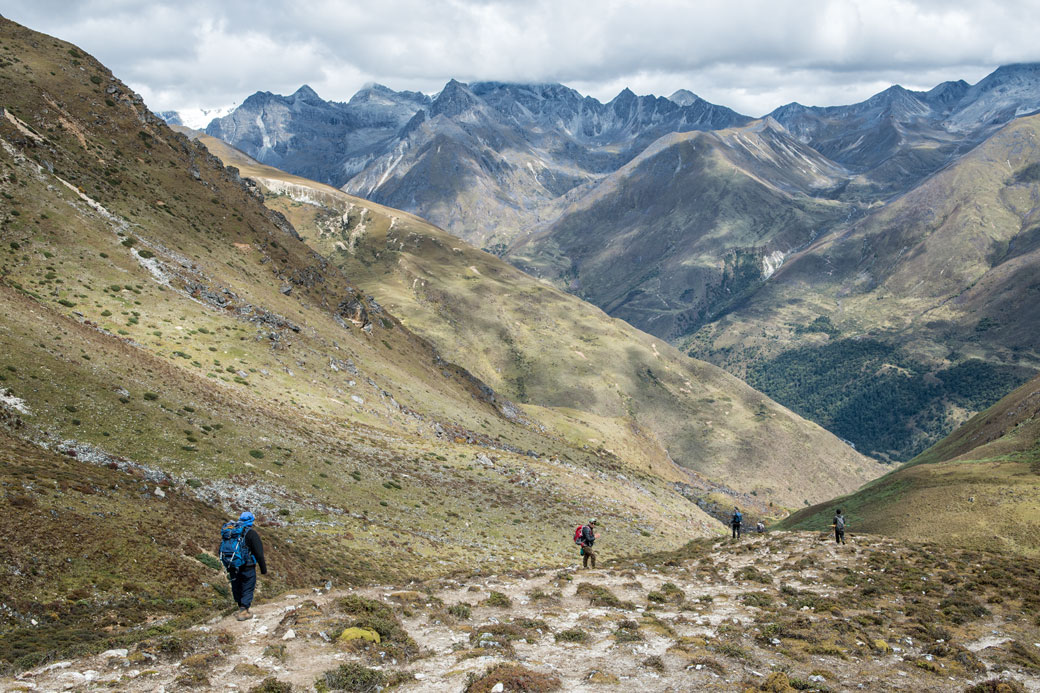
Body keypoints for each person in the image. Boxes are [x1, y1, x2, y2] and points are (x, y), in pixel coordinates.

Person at [225, 511, 267, 620]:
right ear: (251, 521)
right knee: (248, 586)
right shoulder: (251, 533)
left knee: (236, 585)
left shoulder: (231, 531)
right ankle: (243, 610)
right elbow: (259, 553)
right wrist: (263, 569)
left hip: (232, 564)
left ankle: (240, 606)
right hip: (247, 565)